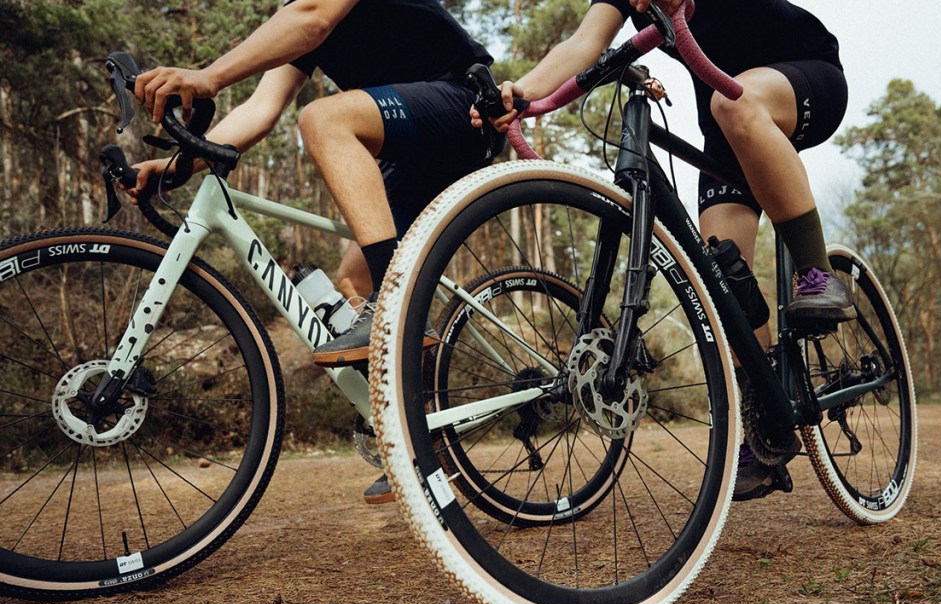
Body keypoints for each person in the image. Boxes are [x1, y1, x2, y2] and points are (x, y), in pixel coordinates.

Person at [472, 0, 853, 501]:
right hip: (724, 122)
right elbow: (582, 45)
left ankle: (817, 272)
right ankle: (767, 420)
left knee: (733, 106)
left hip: (803, 75)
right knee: (720, 274)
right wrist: (523, 91)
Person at [129, 0, 501, 504]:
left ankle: (397, 313)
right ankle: (421, 438)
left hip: (466, 105)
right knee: (352, 285)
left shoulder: (311, 13)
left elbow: (312, 18)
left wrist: (208, 77)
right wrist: (174, 167)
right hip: (409, 150)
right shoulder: (300, 24)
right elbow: (259, 112)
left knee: (323, 120)